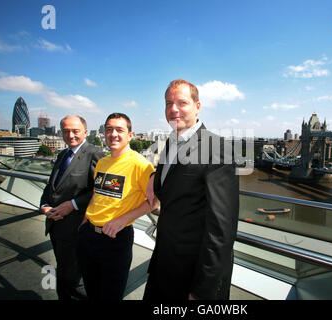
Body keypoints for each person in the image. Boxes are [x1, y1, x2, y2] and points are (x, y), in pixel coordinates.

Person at [143, 79, 239, 300]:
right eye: (168, 103)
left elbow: (221, 230)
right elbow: (175, 182)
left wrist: (203, 289)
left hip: (193, 277)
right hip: (164, 266)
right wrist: (153, 176)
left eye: (182, 103)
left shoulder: (218, 149)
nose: (173, 109)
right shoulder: (171, 143)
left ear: (197, 106)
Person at [77, 113, 155, 300]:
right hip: (88, 235)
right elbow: (98, 194)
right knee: (91, 291)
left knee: (110, 295)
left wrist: (123, 220)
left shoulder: (141, 164)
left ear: (130, 135)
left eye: (120, 130)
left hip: (115, 240)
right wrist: (85, 220)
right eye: (109, 129)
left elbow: (155, 202)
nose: (113, 134)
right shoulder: (102, 162)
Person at [40, 115, 103, 300]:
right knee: (64, 273)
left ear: (85, 131)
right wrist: (44, 206)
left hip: (77, 229)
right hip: (56, 226)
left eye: (75, 131)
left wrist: (73, 204)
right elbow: (50, 187)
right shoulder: (62, 155)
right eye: (66, 131)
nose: (71, 135)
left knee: (76, 280)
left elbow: (100, 190)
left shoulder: (94, 153)